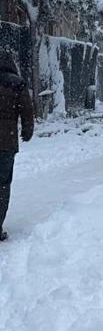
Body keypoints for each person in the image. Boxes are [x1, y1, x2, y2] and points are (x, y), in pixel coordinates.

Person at [0, 52, 34, 240]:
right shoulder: (17, 83)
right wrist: (27, 131)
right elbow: (27, 110)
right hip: (6, 143)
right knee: (3, 184)